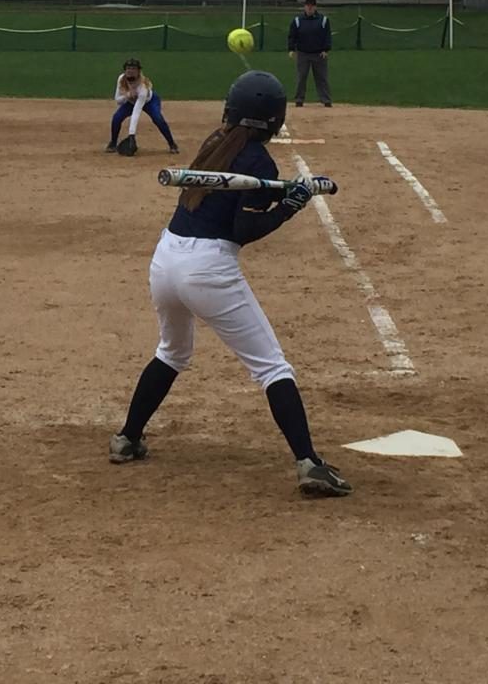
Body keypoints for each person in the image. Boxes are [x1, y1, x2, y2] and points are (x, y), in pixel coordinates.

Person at [108, 69, 353, 497]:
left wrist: (285, 193)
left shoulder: (215, 143)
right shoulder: (258, 159)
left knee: (172, 351)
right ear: (273, 120)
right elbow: (242, 229)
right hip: (208, 268)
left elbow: (242, 197)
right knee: (273, 367)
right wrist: (289, 208)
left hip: (166, 259)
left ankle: (127, 438)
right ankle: (310, 464)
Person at [106, 57, 179, 154]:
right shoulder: (121, 79)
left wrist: (132, 134)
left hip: (149, 102)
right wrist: (127, 96)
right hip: (130, 102)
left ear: (138, 71)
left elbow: (136, 111)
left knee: (158, 118)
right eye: (128, 68)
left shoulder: (143, 86)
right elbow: (118, 100)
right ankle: (113, 143)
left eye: (133, 69)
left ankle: (172, 144)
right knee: (116, 118)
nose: (130, 71)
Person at [287, 0, 332, 107]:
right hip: (303, 53)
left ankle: (326, 100)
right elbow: (292, 36)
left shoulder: (323, 20)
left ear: (315, 7)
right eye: (308, 6)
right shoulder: (297, 21)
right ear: (305, 7)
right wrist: (292, 49)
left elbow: (327, 36)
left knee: (321, 78)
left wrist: (326, 49)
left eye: (312, 6)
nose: (310, 8)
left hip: (319, 54)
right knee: (301, 77)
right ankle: (299, 99)